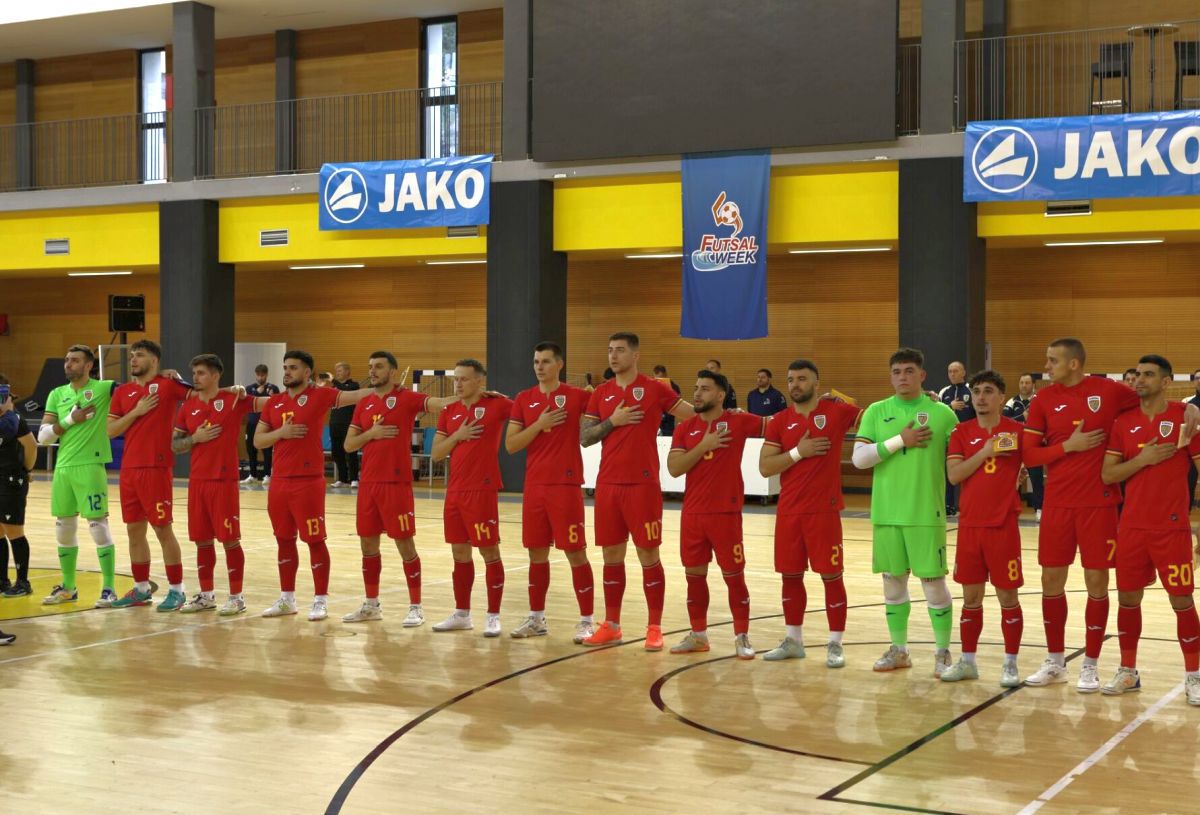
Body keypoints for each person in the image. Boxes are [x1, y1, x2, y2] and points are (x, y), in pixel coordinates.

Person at [1021, 338, 1198, 691]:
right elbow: (1028, 456)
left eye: (1052, 360)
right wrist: (1066, 447)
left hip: (1101, 506)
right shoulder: (1043, 400)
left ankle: (1091, 665)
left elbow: (1156, 399)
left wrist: (1193, 409)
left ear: (1073, 363)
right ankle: (1056, 661)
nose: (1046, 366)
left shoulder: (1111, 391)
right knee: (1051, 584)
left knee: (1100, 586)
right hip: (1057, 504)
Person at [580, 332, 694, 649]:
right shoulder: (601, 393)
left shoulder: (657, 389)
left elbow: (693, 416)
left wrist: (725, 416)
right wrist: (613, 421)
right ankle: (612, 624)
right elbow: (585, 437)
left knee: (648, 555)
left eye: (619, 351)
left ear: (635, 355)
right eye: (610, 350)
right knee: (611, 556)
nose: (613, 356)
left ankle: (654, 627)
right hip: (607, 485)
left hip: (642, 486)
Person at [1100, 355, 1200, 705]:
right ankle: (1128, 670)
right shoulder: (1123, 423)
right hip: (1131, 527)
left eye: (1148, 375)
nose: (1140, 380)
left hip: (1170, 528)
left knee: (1182, 600)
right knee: (1128, 598)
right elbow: (1108, 475)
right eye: (1137, 375)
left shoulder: (1184, 418)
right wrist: (1141, 460)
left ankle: (1194, 676)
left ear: (1167, 381)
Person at [852, 348, 958, 675]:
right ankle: (900, 650)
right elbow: (859, 459)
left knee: (934, 585)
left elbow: (961, 457)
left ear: (922, 375)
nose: (902, 377)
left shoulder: (942, 414)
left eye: (909, 371)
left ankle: (942, 653)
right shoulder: (876, 410)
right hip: (886, 514)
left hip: (926, 514)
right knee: (892, 584)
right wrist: (900, 439)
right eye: (897, 372)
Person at [758, 359, 861, 667]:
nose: (795, 384)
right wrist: (797, 452)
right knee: (790, 577)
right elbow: (765, 467)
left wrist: (841, 397)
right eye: (791, 379)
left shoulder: (836, 412)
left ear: (817, 383)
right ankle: (794, 640)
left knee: (831, 576)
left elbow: (874, 417)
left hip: (823, 511)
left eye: (802, 379)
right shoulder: (779, 420)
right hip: (789, 512)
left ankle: (835, 643)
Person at [255, 350, 372, 621]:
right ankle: (287, 599)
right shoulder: (274, 402)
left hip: (308, 483)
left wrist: (385, 388)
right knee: (283, 540)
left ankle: (320, 600)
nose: (286, 372)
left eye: (293, 367)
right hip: (279, 483)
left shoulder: (321, 395)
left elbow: (357, 396)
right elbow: (259, 441)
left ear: (307, 372)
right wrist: (280, 433)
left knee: (315, 540)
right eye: (285, 367)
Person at [341, 351, 455, 626]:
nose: (373, 371)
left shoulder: (407, 398)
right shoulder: (365, 403)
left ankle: (416, 606)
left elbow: (440, 403)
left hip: (396, 484)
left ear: (393, 372)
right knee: (367, 544)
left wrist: (472, 397)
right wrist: (371, 434)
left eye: (379, 367)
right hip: (368, 484)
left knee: (405, 544)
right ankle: (371, 605)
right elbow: (348, 445)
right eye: (370, 367)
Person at [667, 370, 765, 659]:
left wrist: (816, 407)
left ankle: (742, 636)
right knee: (694, 577)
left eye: (705, 389)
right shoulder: (685, 428)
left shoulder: (738, 420)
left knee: (734, 577)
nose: (696, 394)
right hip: (693, 515)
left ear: (720, 395)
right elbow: (674, 468)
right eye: (696, 388)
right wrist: (704, 445)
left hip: (725, 513)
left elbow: (778, 425)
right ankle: (698, 635)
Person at [505, 342, 596, 641]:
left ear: (559, 364)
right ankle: (536, 618)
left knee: (575, 552)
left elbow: (604, 409)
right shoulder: (524, 399)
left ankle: (586, 620)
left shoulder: (577, 396)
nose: (539, 367)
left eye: (545, 361)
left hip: (565, 485)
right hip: (534, 487)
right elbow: (511, 444)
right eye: (535, 361)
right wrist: (539, 425)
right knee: (536, 554)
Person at [941, 370, 1026, 686]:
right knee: (971, 599)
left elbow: (1033, 458)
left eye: (988, 391)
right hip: (970, 527)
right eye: (976, 391)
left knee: (1008, 598)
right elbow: (954, 475)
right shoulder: (961, 432)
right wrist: (986, 451)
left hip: (1003, 527)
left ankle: (1011, 664)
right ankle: (968, 661)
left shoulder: (1016, 431)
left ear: (1001, 397)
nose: (980, 397)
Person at [429, 359, 514, 636]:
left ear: (480, 381)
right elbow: (437, 453)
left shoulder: (497, 405)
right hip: (454, 491)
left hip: (482, 489)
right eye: (456, 379)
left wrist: (504, 397)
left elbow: (524, 413)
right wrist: (459, 435)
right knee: (459, 553)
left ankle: (493, 615)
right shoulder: (449, 411)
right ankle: (462, 613)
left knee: (489, 551)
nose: (458, 383)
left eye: (464, 379)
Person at [106, 340, 192, 611]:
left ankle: (177, 590)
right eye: (132, 355)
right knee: (134, 530)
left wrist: (178, 376)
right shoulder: (123, 391)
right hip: (129, 470)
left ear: (154, 361)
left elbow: (201, 393)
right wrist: (137, 411)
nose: (133, 359)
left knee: (162, 529)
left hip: (156, 468)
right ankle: (142, 589)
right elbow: (110, 430)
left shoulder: (168, 385)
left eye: (139, 355)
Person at [171, 354, 254, 615]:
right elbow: (175, 445)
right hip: (197, 483)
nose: (196, 377)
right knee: (202, 541)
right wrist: (195, 438)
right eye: (194, 373)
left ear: (216, 375)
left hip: (224, 482)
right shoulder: (188, 407)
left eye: (201, 373)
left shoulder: (232, 401)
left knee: (230, 540)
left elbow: (271, 404)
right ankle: (206, 595)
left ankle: (237, 597)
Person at [38, 345, 120, 607]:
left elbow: (136, 389)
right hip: (63, 468)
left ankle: (108, 588)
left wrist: (164, 374)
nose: (68, 364)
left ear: (88, 366)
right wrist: (71, 420)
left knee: (98, 527)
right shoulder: (56, 394)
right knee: (64, 529)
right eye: (66, 360)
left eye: (74, 360)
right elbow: (43, 437)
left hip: (90, 465)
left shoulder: (104, 388)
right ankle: (69, 587)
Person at [0, 376, 36, 598]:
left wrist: (26, 470)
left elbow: (31, 446)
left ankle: (23, 582)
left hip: (11, 481)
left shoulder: (13, 420)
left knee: (13, 531)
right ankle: (2, 580)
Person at [1004, 373, 1042, 518]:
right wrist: (1022, 417)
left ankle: (1040, 509)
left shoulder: (1039, 401)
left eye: (1027, 383)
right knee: (1012, 478)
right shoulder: (1012, 402)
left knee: (1036, 477)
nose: (1024, 385)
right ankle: (1012, 507)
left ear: (1033, 385)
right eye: (1021, 383)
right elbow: (1006, 422)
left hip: (1033, 446)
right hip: (1015, 445)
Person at [940, 361, 975, 516]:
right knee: (949, 473)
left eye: (956, 371)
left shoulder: (971, 390)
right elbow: (937, 414)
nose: (952, 374)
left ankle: (967, 506)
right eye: (950, 371)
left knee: (968, 473)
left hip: (969, 439)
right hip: (949, 440)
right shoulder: (944, 392)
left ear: (963, 373)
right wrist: (950, 406)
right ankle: (948, 506)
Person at [243, 364, 279, 484]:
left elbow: (278, 404)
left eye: (262, 375)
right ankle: (252, 475)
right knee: (251, 449)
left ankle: (267, 475)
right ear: (255, 375)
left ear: (267, 375)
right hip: (252, 423)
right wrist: (258, 394)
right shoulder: (249, 388)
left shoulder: (273, 388)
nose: (260, 377)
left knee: (267, 450)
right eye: (258, 375)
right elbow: (248, 403)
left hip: (267, 424)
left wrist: (271, 395)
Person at [329, 361, 361, 488]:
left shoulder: (354, 385)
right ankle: (342, 478)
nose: (337, 373)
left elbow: (347, 392)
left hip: (348, 423)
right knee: (337, 452)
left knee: (351, 451)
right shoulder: (334, 388)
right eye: (336, 371)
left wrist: (334, 382)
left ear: (347, 372)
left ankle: (354, 478)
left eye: (340, 371)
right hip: (334, 423)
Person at [652, 365, 682, 437]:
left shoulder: (674, 387)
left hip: (668, 420)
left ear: (665, 374)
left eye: (661, 378)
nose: (659, 380)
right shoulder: (653, 386)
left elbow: (678, 401)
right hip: (656, 419)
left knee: (667, 439)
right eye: (657, 378)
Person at [1188, 369, 1200, 509]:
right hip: (1192, 453)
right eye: (1197, 378)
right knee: (1188, 484)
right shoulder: (1188, 403)